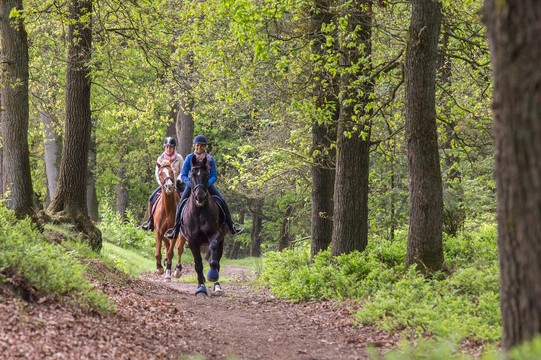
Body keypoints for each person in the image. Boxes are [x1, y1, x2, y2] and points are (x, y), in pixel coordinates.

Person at [165, 134, 242, 239]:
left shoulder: (210, 158)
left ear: (205, 147)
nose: (199, 148)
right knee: (181, 204)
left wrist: (206, 184)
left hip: (206, 185)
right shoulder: (189, 158)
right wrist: (191, 184)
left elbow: (214, 175)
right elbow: (183, 174)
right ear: (194, 146)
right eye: (197, 145)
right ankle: (175, 230)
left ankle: (231, 226)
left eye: (201, 146)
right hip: (192, 185)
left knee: (222, 200)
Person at [141, 137, 185, 231]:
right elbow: (157, 173)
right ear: (164, 148)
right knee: (151, 198)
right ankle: (150, 221)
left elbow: (183, 171)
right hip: (164, 185)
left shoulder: (179, 158)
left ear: (174, 148)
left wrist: (178, 179)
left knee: (186, 198)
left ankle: (185, 221)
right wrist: (161, 183)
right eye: (167, 147)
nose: (168, 149)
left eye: (170, 147)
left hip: (177, 183)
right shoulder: (160, 159)